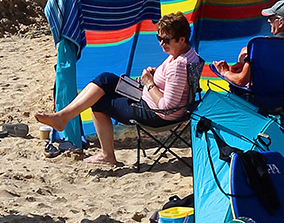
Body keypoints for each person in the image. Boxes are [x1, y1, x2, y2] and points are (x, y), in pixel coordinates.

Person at [36, 12, 203, 169]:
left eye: (166, 39)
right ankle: (62, 117)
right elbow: (172, 84)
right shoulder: (187, 54)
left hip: (156, 113)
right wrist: (155, 75)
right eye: (158, 37)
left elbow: (167, 107)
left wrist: (150, 83)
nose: (161, 43)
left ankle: (106, 155)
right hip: (147, 97)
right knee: (105, 79)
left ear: (182, 39)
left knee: (99, 102)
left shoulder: (179, 65)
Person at [214, 0, 284, 90]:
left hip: (262, 99)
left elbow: (241, 81)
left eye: (271, 18)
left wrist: (224, 72)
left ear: (280, 22)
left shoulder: (261, 47)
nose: (268, 21)